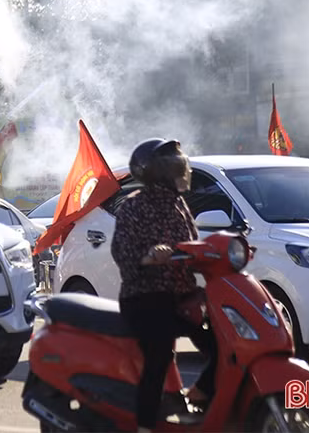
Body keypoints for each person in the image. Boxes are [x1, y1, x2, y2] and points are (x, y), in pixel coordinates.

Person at [110, 138, 217, 433]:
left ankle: (200, 394)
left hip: (182, 296)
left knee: (224, 343)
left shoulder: (178, 204)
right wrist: (149, 256)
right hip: (145, 297)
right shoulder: (133, 206)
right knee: (158, 355)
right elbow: (122, 253)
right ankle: (145, 426)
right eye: (172, 169)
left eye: (179, 167)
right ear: (153, 173)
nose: (180, 173)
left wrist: (217, 253)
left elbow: (193, 243)